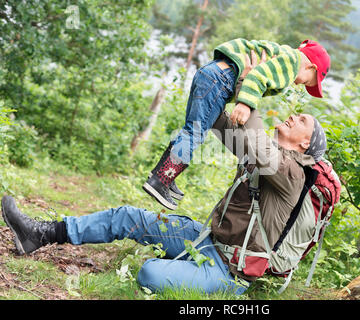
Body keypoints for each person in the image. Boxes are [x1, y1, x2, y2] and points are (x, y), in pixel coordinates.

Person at [1, 107, 327, 296]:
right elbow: (221, 126)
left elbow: (254, 139)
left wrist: (250, 96)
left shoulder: (292, 174)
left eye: (302, 121)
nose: (293, 116)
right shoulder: (266, 155)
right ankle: (40, 233)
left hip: (229, 273)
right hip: (207, 241)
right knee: (128, 216)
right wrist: (221, 84)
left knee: (150, 275)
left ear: (304, 144)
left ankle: (190, 276)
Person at [142, 38, 331, 210]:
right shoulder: (291, 65)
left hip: (211, 71)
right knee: (195, 134)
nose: (301, 85)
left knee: (191, 130)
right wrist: (245, 104)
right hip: (221, 79)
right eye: (308, 82)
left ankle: (163, 173)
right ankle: (161, 179)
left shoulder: (284, 54)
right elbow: (258, 75)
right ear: (311, 68)